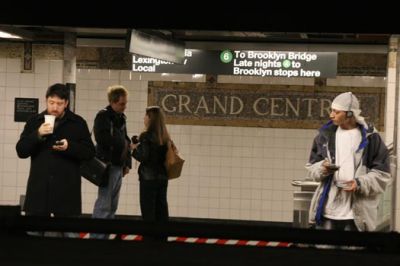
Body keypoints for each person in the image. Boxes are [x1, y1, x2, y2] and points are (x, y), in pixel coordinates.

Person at [16, 83, 95, 235]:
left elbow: (90, 152)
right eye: (51, 102)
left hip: (67, 192)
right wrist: (37, 134)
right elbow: (21, 150)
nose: (55, 107)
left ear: (66, 103)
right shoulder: (35, 121)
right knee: (33, 240)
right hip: (39, 191)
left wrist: (69, 147)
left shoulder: (78, 123)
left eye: (59, 104)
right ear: (46, 101)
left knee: (69, 238)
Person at [306, 92, 391, 232]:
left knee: (353, 252)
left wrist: (359, 183)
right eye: (331, 110)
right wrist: (323, 169)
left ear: (350, 114)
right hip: (328, 210)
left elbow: (383, 173)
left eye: (336, 111)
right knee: (324, 251)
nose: (331, 115)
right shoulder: (325, 136)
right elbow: (312, 166)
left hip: (357, 214)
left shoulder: (370, 138)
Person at [91, 85, 132, 239]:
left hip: (118, 166)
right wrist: (121, 143)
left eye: (125, 104)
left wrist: (127, 163)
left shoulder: (121, 118)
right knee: (104, 203)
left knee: (112, 205)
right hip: (107, 165)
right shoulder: (103, 117)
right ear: (113, 102)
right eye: (122, 104)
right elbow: (101, 138)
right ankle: (97, 238)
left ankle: (105, 236)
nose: (124, 107)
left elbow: (126, 140)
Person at [131, 106, 170, 241]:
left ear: (150, 119)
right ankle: (162, 240)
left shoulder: (146, 136)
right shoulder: (164, 136)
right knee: (161, 210)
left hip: (148, 179)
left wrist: (134, 149)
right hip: (163, 177)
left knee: (148, 212)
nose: (144, 118)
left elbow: (144, 157)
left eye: (146, 116)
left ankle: (148, 241)